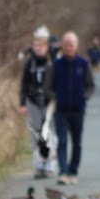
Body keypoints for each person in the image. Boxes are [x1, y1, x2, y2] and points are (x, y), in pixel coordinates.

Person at [46, 31, 95, 185]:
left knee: (77, 142)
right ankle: (63, 172)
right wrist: (56, 98)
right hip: (61, 110)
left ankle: (73, 171)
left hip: (78, 110)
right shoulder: (55, 65)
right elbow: (47, 87)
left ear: (76, 46)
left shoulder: (83, 64)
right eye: (66, 45)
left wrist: (84, 96)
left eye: (71, 45)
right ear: (62, 46)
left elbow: (90, 85)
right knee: (62, 142)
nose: (68, 47)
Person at [19, 27, 56, 178]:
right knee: (36, 133)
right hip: (33, 101)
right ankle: (39, 165)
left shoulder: (52, 61)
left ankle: (50, 164)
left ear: (46, 47)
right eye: (35, 46)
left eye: (40, 46)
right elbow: (24, 84)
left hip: (49, 102)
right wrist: (22, 103)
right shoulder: (30, 64)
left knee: (48, 133)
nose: (37, 49)